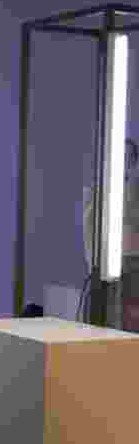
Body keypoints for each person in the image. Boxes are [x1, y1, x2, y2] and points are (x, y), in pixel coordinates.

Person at [83, 137, 139, 331]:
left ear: (133, 162)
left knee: (126, 323)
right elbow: (90, 230)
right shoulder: (97, 192)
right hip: (103, 268)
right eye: (120, 156)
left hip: (131, 268)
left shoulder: (134, 192)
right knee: (103, 322)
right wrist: (93, 265)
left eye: (128, 157)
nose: (123, 162)